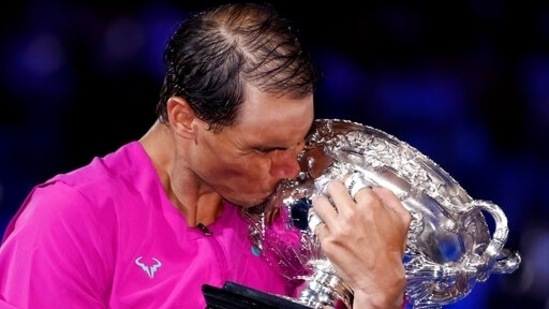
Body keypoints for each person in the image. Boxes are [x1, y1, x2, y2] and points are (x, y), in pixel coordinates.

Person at [0, 2, 411, 308]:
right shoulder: (70, 218)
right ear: (184, 120)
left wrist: (381, 293)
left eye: (299, 143)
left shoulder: (290, 238)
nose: (290, 170)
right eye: (265, 149)